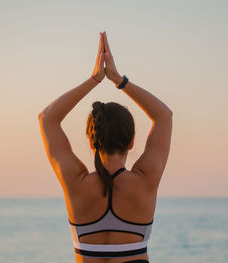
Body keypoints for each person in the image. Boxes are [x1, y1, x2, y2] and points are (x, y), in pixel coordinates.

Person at [38, 31, 173, 263]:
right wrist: (118, 79)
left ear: (92, 141)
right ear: (131, 141)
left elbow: (47, 118)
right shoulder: (145, 180)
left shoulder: (75, 182)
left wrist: (95, 79)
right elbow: (164, 116)